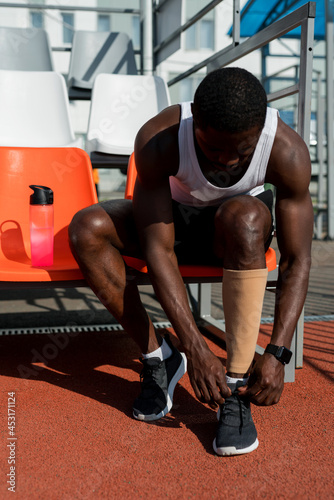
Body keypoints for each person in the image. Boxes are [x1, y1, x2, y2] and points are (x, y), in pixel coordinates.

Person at [69, 68, 313, 456]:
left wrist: (278, 353)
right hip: (174, 223)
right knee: (87, 228)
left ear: (258, 132)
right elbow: (159, 249)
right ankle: (160, 358)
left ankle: (234, 387)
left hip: (235, 232)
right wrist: (196, 349)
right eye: (215, 149)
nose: (229, 161)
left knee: (245, 218)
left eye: (242, 150)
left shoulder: (287, 151)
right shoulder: (158, 139)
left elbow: (297, 260)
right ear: (194, 121)